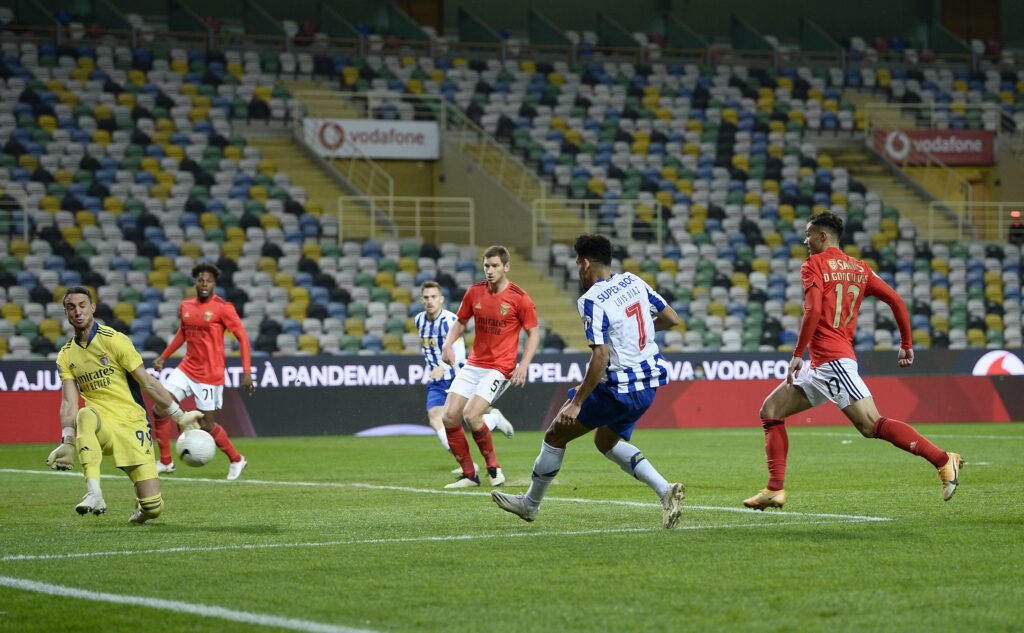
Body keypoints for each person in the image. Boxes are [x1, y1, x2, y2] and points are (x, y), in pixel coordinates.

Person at [743, 210, 963, 510]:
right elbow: (897, 300)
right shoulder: (860, 269)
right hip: (822, 365)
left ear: (822, 235)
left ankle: (942, 458)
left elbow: (813, 311)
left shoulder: (813, 265)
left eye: (809, 234)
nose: (805, 240)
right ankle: (774, 489)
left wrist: (797, 355)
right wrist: (906, 343)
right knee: (770, 410)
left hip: (833, 362)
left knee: (871, 425)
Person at [492, 234, 687, 529]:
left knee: (556, 434)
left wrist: (578, 402)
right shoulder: (634, 281)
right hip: (648, 386)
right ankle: (665, 491)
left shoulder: (592, 300)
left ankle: (529, 505)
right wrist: (634, 338)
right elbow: (671, 318)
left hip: (618, 390)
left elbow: (601, 357)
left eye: (577, 264)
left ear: (584, 263)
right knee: (605, 440)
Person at [46, 286, 203, 523]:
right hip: (102, 424)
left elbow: (148, 383)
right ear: (66, 313)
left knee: (153, 508)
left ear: (92, 308)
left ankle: (142, 508)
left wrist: (179, 416)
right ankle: (94, 493)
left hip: (132, 424)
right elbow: (69, 401)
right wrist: (67, 440)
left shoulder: (115, 340)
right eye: (71, 307)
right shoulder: (66, 355)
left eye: (82, 305)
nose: (77, 312)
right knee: (84, 415)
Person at [440, 245, 540, 489]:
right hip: (475, 363)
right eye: (486, 266)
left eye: (495, 266)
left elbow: (534, 333)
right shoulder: (475, 292)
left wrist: (523, 364)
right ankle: (469, 475)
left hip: (501, 367)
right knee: (449, 416)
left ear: (506, 267)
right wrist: (448, 344)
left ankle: (493, 469)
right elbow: (460, 321)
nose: (490, 270)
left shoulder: (519, 297)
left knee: (471, 415)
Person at [150, 263, 254, 480]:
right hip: (186, 368)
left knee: (206, 425)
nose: (204, 284)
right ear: (195, 282)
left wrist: (246, 371)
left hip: (210, 375)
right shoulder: (186, 305)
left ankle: (236, 459)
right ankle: (166, 462)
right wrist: (163, 356)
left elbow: (242, 337)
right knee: (160, 408)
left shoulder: (223, 308)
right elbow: (182, 333)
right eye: (200, 280)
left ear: (214, 284)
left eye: (208, 281)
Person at [415, 281, 515, 474]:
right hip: (436, 380)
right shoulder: (419, 320)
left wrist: (443, 367)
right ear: (421, 300)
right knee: (437, 418)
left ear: (441, 299)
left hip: (455, 375)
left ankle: (491, 422)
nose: (430, 301)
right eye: (426, 297)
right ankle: (468, 460)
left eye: (433, 297)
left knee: (461, 418)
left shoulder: (449, 320)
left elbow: (459, 350)